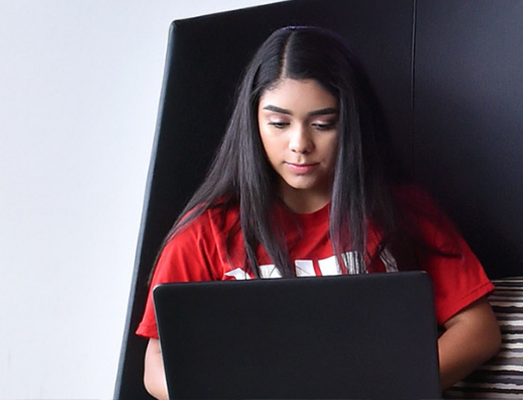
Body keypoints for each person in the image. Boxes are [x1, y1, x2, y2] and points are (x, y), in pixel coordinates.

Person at [136, 26, 501, 399]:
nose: (300, 145)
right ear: (253, 122)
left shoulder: (400, 214)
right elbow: (157, 359)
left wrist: (390, 389)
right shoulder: (206, 232)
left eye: (323, 124)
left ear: (351, 122)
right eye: (278, 123)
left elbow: (478, 329)